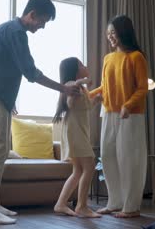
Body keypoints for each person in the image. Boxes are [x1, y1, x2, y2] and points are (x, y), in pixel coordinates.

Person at [0, 0, 81, 225]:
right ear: (32, 15)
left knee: (1, 151)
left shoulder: (11, 30)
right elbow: (30, 72)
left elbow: (6, 67)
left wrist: (9, 102)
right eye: (43, 21)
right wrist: (63, 88)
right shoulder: (15, 32)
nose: (42, 27)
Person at [89, 15, 149, 218]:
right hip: (109, 112)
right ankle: (115, 202)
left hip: (130, 115)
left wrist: (128, 105)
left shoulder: (136, 57)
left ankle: (131, 207)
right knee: (107, 157)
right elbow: (105, 86)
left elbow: (142, 88)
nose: (110, 37)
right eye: (108, 34)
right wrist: (92, 95)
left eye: (113, 33)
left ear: (124, 32)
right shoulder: (108, 58)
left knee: (129, 159)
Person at [52, 57, 103, 218]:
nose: (85, 65)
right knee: (89, 166)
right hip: (75, 134)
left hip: (77, 132)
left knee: (78, 171)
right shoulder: (70, 85)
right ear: (74, 70)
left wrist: (97, 99)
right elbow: (71, 104)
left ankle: (60, 204)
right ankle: (81, 206)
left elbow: (84, 107)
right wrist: (81, 82)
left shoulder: (80, 88)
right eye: (81, 64)